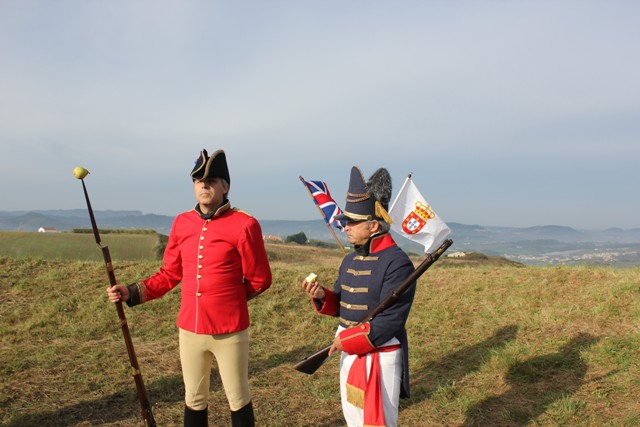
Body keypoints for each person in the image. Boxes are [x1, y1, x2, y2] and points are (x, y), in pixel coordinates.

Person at [107, 149, 272, 427]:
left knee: (238, 398)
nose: (204, 186)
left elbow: (260, 279)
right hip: (190, 329)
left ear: (225, 186)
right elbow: (170, 273)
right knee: (194, 399)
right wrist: (132, 292)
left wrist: (228, 300)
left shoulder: (245, 224)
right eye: (198, 181)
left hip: (229, 331)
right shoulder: (182, 222)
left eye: (211, 180)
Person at [301, 166, 416, 427]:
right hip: (346, 346)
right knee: (353, 418)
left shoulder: (398, 263)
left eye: (352, 222)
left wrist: (348, 340)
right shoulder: (350, 259)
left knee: (380, 422)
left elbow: (390, 321)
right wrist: (321, 295)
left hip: (379, 351)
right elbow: (341, 303)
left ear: (373, 225)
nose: (346, 227)